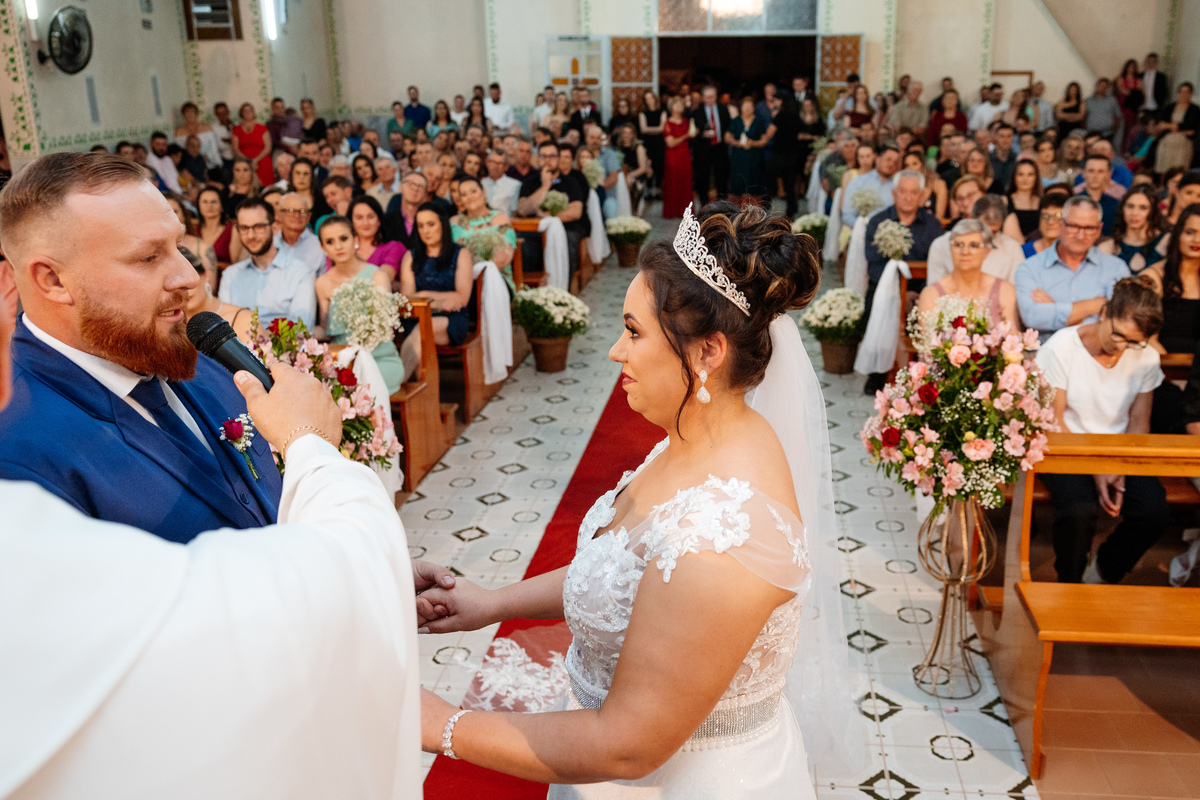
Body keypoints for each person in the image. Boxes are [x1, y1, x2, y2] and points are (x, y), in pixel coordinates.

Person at [416, 202, 849, 798]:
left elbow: (627, 744)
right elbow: (626, 569)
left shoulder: (728, 533)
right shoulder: (696, 438)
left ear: (707, 353)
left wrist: (442, 724)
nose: (616, 351)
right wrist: (492, 602)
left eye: (634, 331)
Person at [0, 152, 282, 541]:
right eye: (148, 257)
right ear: (53, 280)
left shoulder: (197, 360)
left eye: (177, 246)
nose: (188, 278)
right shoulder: (18, 457)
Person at [1036, 276, 1168, 584]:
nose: (1121, 347)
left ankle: (1105, 571)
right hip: (1065, 444)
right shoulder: (1062, 347)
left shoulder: (1145, 356)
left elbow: (1138, 423)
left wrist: (1118, 464)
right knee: (1079, 510)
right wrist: (1097, 468)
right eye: (1118, 335)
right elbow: (1053, 420)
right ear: (1105, 312)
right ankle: (1068, 584)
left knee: (1153, 512)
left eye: (1133, 342)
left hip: (1118, 448)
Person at [861, 170, 944, 393]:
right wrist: (899, 292)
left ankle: (922, 376)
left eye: (914, 192)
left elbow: (937, 264)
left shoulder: (933, 225)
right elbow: (874, 264)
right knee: (875, 308)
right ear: (894, 193)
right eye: (903, 191)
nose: (908, 197)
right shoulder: (878, 222)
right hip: (884, 287)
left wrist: (922, 293)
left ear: (922, 195)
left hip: (921, 290)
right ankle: (877, 372)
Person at [1015, 195, 1131, 342]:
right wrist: (1093, 305)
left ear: (1099, 229)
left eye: (1089, 228)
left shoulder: (1115, 269)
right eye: (1074, 226)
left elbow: (1118, 324)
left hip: (1098, 359)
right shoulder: (1030, 268)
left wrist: (1055, 307)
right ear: (1061, 224)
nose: (1081, 235)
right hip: (1048, 359)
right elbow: (1031, 317)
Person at [313, 214, 406, 396]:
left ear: (355, 239)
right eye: (330, 242)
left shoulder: (376, 275)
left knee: (358, 388)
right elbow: (326, 330)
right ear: (323, 248)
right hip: (342, 360)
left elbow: (384, 325)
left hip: (380, 358)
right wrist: (302, 334)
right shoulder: (322, 283)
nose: (338, 246)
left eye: (343, 238)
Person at [220, 197, 316, 329]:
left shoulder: (301, 273)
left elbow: (302, 330)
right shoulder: (230, 275)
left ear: (275, 227)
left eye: (258, 227)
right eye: (244, 228)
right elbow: (224, 329)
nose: (251, 235)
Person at [918, 219, 1019, 327]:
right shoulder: (931, 295)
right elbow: (927, 341)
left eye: (973, 245)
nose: (965, 252)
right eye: (958, 245)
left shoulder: (1005, 291)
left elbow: (1013, 337)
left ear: (986, 252)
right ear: (950, 249)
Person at [398, 203, 473, 346]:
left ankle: (402, 369)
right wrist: (438, 302)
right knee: (420, 333)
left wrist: (421, 295)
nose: (425, 231)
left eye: (431, 224)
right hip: (417, 317)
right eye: (421, 226)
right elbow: (407, 300)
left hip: (451, 318)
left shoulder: (460, 254)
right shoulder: (411, 256)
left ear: (442, 224)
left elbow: (462, 298)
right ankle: (410, 369)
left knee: (422, 331)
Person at [517, 140, 587, 276]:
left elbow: (576, 211)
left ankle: (564, 292)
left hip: (565, 230)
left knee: (568, 246)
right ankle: (532, 291)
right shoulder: (529, 183)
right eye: (543, 156)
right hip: (534, 232)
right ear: (538, 159)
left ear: (558, 159)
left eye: (552, 156)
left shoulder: (571, 183)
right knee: (523, 249)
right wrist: (545, 186)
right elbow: (523, 210)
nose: (548, 161)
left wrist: (547, 217)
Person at [451, 175, 516, 293]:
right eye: (464, 194)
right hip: (461, 282)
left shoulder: (500, 220)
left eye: (473, 191)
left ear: (483, 192)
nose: (469, 197)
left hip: (495, 279)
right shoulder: (453, 223)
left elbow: (505, 258)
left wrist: (480, 274)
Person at [182, 246, 253, 342]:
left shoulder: (243, 318)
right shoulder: (171, 327)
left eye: (190, 282)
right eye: (179, 286)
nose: (186, 291)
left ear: (205, 275)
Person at [1099, 185, 1170, 276]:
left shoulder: (1165, 242)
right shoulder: (1108, 248)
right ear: (1122, 209)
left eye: (1143, 208)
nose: (1135, 213)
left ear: (1152, 211)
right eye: (1130, 206)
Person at [162, 191, 217, 291]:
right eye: (165, 212)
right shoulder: (150, 249)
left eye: (175, 211)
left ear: (183, 215)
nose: (170, 217)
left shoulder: (204, 247)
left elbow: (210, 287)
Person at [841, 143, 901, 228]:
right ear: (877, 158)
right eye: (888, 159)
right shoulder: (858, 182)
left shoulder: (897, 186)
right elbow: (847, 215)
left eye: (895, 162)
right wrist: (864, 228)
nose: (891, 164)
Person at [726, 96, 771, 203]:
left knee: (754, 185)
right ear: (741, 107)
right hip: (738, 157)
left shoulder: (758, 120)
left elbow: (764, 140)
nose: (747, 109)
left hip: (754, 158)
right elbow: (727, 136)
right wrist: (737, 143)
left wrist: (753, 143)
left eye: (750, 107)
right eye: (745, 106)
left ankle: (754, 213)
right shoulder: (736, 121)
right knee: (738, 184)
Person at [691, 86, 731, 201]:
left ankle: (723, 204)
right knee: (703, 177)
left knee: (722, 177)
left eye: (713, 97)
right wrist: (702, 134)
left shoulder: (723, 109)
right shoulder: (697, 112)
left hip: (720, 148)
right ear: (703, 98)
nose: (710, 100)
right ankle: (704, 205)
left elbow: (728, 125)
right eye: (708, 97)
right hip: (703, 148)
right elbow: (693, 132)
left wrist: (727, 133)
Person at [273, 191, 325, 277]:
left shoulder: (320, 246)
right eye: (290, 210)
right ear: (278, 214)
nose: (297, 215)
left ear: (309, 216)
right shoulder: (270, 245)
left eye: (302, 211)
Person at [661, 96, 695, 219]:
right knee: (673, 181)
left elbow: (693, 134)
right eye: (677, 105)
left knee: (685, 181)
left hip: (685, 154)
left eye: (681, 105)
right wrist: (686, 135)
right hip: (673, 156)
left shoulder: (687, 122)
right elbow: (670, 143)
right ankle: (673, 211)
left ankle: (685, 211)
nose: (680, 107)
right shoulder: (668, 123)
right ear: (672, 108)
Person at [1154, 82, 1199, 172]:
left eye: (1186, 92)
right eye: (1181, 92)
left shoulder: (1194, 109)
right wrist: (1174, 127)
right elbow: (1161, 124)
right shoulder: (1169, 107)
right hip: (1167, 141)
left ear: (1190, 94)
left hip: (1183, 143)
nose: (1183, 95)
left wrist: (1171, 127)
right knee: (1163, 169)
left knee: (1179, 169)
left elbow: (1191, 129)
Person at [230, 102, 275, 189]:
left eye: (249, 111)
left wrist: (255, 160)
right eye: (245, 111)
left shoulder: (262, 128)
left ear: (253, 112)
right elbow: (236, 149)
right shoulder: (236, 130)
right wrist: (248, 162)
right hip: (244, 162)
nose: (247, 113)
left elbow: (268, 147)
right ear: (241, 114)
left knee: (265, 188)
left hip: (262, 161)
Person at [1075, 154, 1121, 236]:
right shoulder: (1073, 202)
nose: (1095, 176)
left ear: (1109, 174)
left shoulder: (1116, 205)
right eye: (1091, 171)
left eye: (1100, 171)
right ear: (1083, 173)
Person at [196, 185, 241, 268]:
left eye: (214, 202)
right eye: (205, 202)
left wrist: (211, 266)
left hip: (224, 278)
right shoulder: (194, 230)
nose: (209, 206)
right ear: (199, 206)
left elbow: (236, 265)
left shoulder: (232, 230)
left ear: (222, 206)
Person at [174, 102, 222, 178]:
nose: (190, 115)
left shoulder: (206, 127)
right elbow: (180, 152)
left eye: (192, 112)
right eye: (187, 112)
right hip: (190, 167)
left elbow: (213, 147)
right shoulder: (179, 131)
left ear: (197, 114)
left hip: (210, 164)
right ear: (183, 115)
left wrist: (208, 158)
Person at [1002, 159, 1044, 242]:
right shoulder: (1004, 201)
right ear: (1014, 177)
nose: (1025, 179)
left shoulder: (1043, 202)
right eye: (1020, 174)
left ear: (1036, 177)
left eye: (1030, 174)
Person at [614, 124, 652, 211]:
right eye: (625, 133)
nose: (627, 135)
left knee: (630, 182)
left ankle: (631, 209)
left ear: (633, 135)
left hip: (636, 174)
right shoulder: (618, 148)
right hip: (622, 174)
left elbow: (642, 168)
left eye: (629, 133)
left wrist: (629, 175)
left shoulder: (638, 148)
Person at [903, 149, 946, 219]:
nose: (910, 168)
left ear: (922, 166)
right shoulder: (903, 190)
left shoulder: (938, 185)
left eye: (915, 164)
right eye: (906, 165)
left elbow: (939, 217)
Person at [639, 90, 666, 199]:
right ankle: (649, 192)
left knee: (659, 166)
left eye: (651, 98)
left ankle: (659, 192)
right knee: (648, 166)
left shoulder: (662, 111)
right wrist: (657, 129)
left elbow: (662, 128)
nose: (649, 101)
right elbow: (643, 129)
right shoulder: (643, 113)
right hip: (648, 144)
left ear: (655, 99)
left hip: (660, 143)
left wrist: (649, 129)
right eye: (647, 99)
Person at [1023, 191, 1068, 258]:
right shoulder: (1021, 251)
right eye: (1045, 216)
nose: (1050, 222)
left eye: (1057, 216)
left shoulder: (1078, 252)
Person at [482, 148, 521, 216]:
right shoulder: (480, 184)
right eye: (493, 162)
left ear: (506, 166)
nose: (496, 166)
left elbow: (516, 212)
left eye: (500, 163)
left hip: (506, 223)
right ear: (487, 163)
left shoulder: (515, 185)